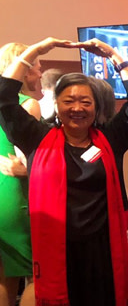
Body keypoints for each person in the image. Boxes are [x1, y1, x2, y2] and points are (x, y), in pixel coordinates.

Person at [0, 36, 128, 306]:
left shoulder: (110, 139)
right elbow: (3, 97)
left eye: (85, 102)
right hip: (57, 251)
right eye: (69, 101)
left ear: (96, 107)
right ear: (56, 105)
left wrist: (112, 54)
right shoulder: (37, 139)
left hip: (103, 251)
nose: (77, 108)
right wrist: (35, 51)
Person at [0, 43, 41, 306]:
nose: (40, 72)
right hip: (19, 192)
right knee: (35, 273)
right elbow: (33, 160)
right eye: (38, 67)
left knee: (4, 275)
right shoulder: (29, 105)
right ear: (25, 72)